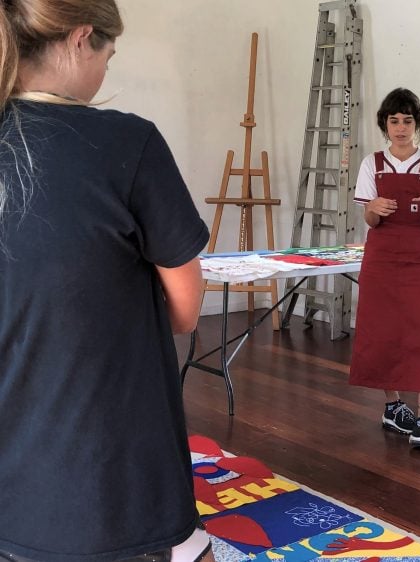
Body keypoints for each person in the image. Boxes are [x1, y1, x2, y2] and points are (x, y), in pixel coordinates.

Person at [0, 1, 214, 560]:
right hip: (105, 482)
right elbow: (187, 310)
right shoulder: (127, 144)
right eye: (108, 57)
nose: (104, 75)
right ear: (80, 39)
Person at [349, 87, 420, 448]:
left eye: (407, 121)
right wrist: (374, 208)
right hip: (381, 258)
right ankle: (393, 406)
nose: (400, 128)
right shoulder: (372, 164)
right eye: (394, 121)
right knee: (382, 331)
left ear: (418, 123)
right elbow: (370, 220)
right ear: (385, 124)